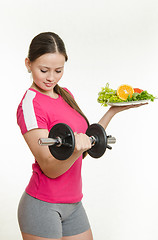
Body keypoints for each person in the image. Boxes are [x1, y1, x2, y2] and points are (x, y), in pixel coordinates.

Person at [17, 32, 144, 240]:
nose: (51, 78)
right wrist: (77, 149)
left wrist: (113, 111)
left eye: (58, 70)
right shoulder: (30, 105)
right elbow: (50, 167)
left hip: (74, 204)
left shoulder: (65, 94)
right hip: (43, 205)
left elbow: (87, 141)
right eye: (43, 70)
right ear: (28, 64)